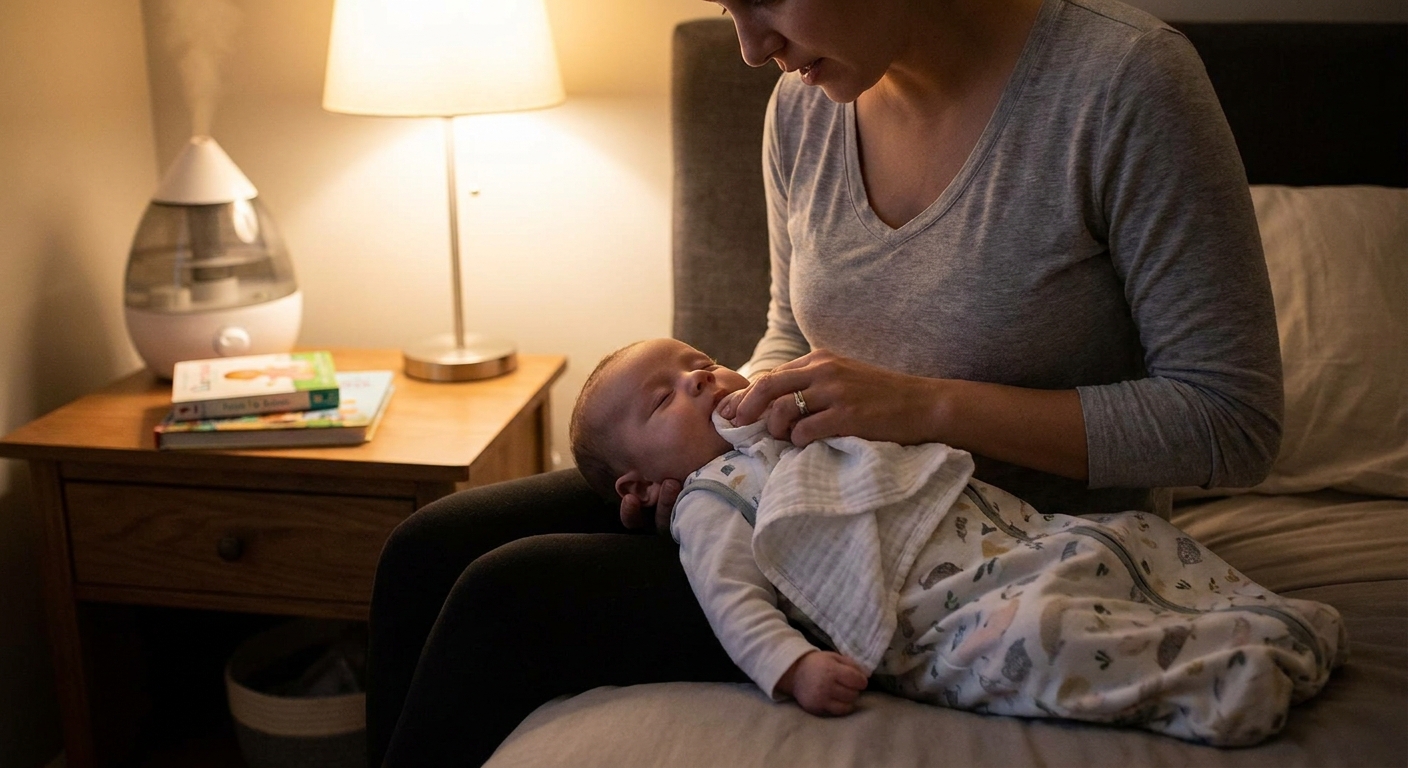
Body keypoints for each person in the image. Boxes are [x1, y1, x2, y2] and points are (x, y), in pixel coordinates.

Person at [369, 0, 1283, 764]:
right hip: (804, 489)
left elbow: (1230, 420)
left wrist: (923, 406)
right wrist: (733, 420)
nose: (750, 44)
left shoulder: (1123, 84)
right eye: (728, 7)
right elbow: (790, 333)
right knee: (430, 544)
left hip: (967, 556)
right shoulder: (804, 106)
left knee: (505, 597)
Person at [568, 338, 1341, 746]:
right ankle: (1226, 677)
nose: (700, 380)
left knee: (1121, 545)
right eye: (665, 398)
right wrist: (791, 666)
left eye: (696, 362)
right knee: (1045, 635)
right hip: (927, 601)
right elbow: (729, 596)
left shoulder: (778, 426)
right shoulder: (711, 501)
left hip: (990, 533)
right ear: (639, 486)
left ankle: (1266, 618)